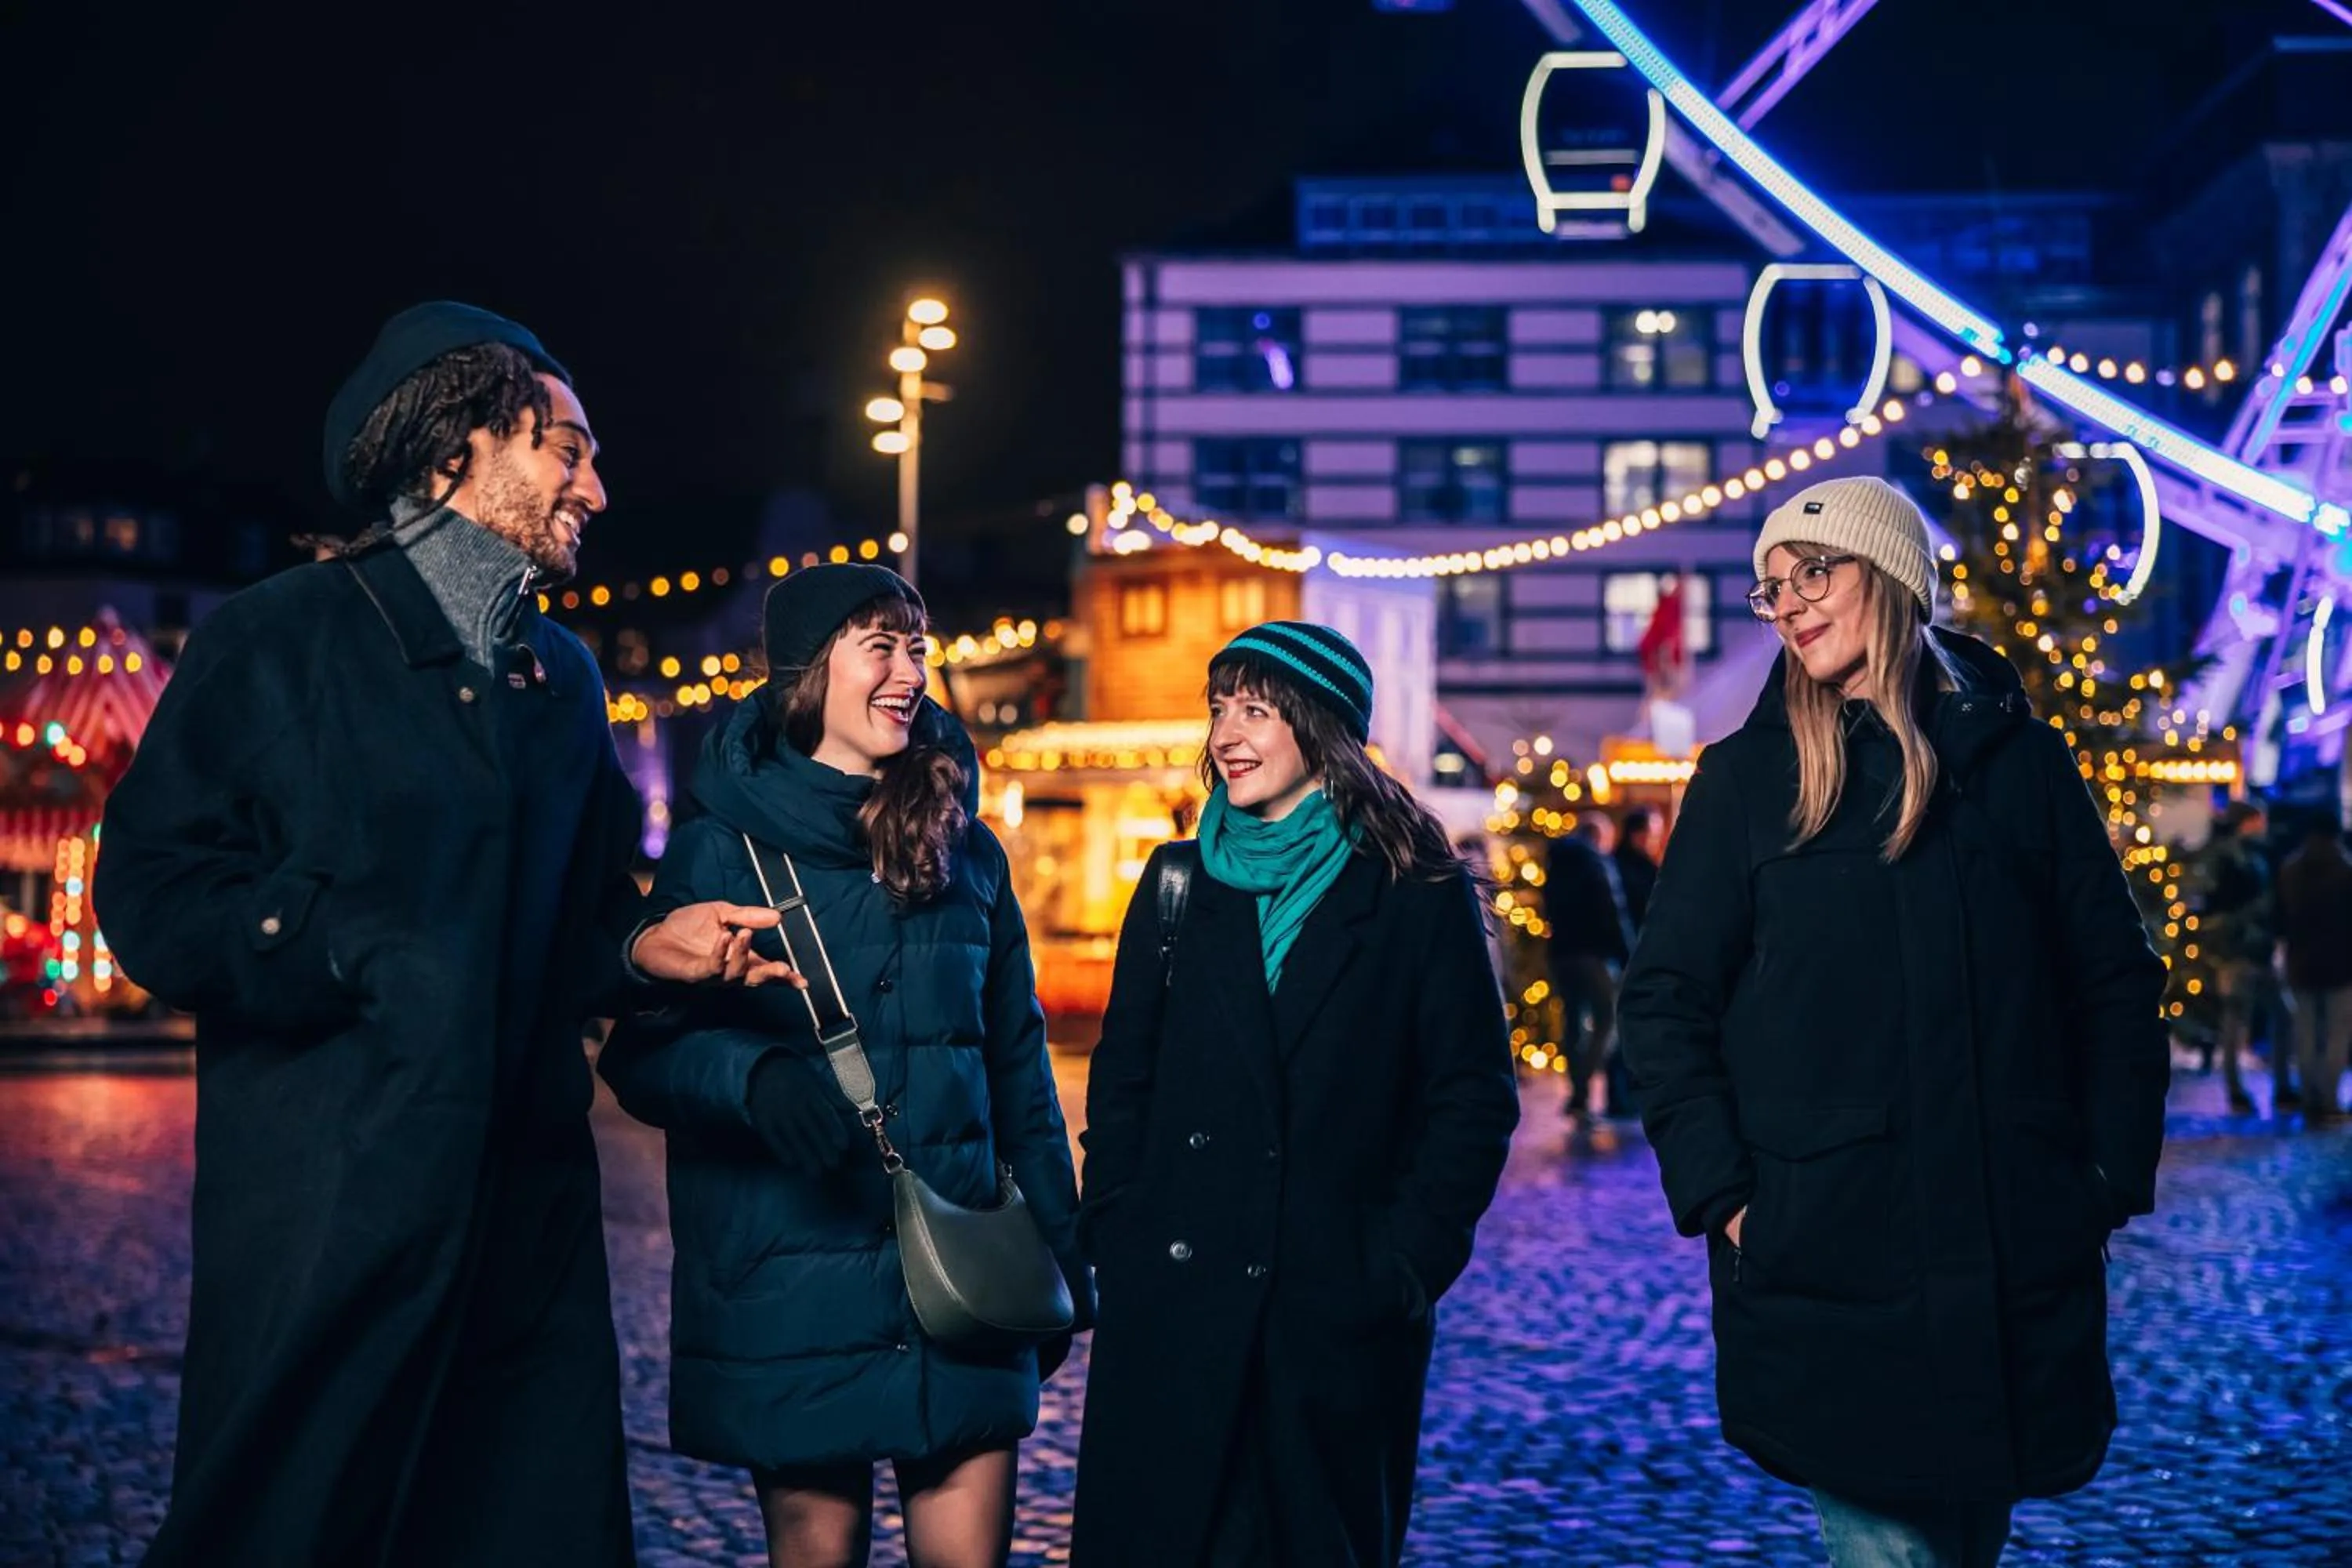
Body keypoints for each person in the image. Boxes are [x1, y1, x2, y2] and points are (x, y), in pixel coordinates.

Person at [93, 302, 791, 1567]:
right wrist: (337, 943)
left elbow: (572, 929)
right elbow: (148, 890)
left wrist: (644, 951)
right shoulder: (281, 639)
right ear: (454, 451)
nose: (598, 485)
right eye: (566, 449)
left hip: (527, 1244)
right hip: (333, 1219)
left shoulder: (564, 680)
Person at [1619, 476, 2169, 1568]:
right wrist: (1729, 1199)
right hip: (1828, 1251)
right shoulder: (1745, 780)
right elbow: (1664, 999)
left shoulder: (2022, 764)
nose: (1790, 603)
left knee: (1964, 1543)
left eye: (1814, 572)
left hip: (2008, 1240)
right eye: (1773, 587)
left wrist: (2105, 1177)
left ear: (1893, 574)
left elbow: (2112, 981)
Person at [597, 563, 1089, 1568]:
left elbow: (1018, 1074)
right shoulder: (720, 848)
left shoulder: (969, 850)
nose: (910, 669)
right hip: (793, 1281)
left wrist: (1060, 1253)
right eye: (882, 645)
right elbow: (643, 1053)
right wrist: (750, 1078)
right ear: (811, 672)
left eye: (918, 646)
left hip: (963, 1283)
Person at [1071, 621, 1519, 1568]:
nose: (1228, 732)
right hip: (1175, 1303)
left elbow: (1472, 1097)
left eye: (1258, 709)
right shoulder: (1177, 882)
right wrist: (1124, 1226)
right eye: (1220, 707)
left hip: (1331, 1309)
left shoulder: (1411, 887)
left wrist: (1401, 1264)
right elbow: (1125, 1081)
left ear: (1321, 728)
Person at [1546, 812, 1636, 1119]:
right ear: (1599, 836)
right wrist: (1627, 953)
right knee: (1608, 1019)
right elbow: (1613, 910)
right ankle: (1583, 1082)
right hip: (1593, 954)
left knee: (1573, 1020)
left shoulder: (1557, 864)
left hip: (1561, 954)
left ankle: (1579, 1093)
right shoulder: (1597, 863)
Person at [2195, 800, 2278, 1113]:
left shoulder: (2241, 855)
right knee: (2238, 1017)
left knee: (2252, 1016)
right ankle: (2239, 1089)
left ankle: (2250, 1087)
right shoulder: (2238, 857)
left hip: (2246, 949)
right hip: (2240, 949)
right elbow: (2226, 904)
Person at [2272, 810, 2352, 1125]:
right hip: (2341, 963)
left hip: (2300, 961)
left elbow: (2279, 918)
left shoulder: (2290, 870)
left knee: (2305, 1034)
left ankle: (2309, 1098)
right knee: (2336, 1035)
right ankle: (2330, 1099)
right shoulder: (2346, 870)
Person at [1613, 804, 1664, 931]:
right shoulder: (1618, 870)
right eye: (1653, 835)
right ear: (1636, 834)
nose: (1657, 841)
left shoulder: (1649, 868)